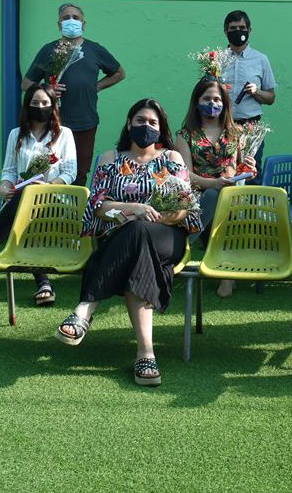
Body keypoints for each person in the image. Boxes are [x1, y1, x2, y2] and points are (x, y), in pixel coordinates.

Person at [54, 99, 200, 387]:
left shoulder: (172, 158)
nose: (146, 127)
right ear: (129, 123)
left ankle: (86, 308)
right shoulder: (111, 157)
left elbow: (187, 210)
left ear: (161, 128)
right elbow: (97, 205)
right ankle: (146, 353)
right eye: (140, 121)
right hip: (121, 235)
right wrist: (134, 210)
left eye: (152, 123)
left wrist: (152, 217)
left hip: (167, 236)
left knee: (140, 232)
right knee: (137, 247)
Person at [0, 85, 77, 306]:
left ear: (53, 107)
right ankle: (43, 283)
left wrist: (47, 186)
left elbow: (70, 172)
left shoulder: (64, 134)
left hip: (55, 199)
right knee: (26, 199)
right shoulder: (16, 135)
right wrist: (4, 186)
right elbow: (9, 172)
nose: (40, 107)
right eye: (35, 103)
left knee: (29, 197)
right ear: (27, 106)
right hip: (23, 202)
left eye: (45, 103)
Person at [23, 3, 124, 187]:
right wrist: (47, 89)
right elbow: (26, 84)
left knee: (79, 172)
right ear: (59, 25)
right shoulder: (49, 50)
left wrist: (98, 86)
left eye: (76, 18)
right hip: (52, 123)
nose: (71, 21)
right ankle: (48, 209)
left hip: (85, 122)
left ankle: (75, 213)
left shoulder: (94, 50)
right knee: (48, 170)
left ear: (84, 24)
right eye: (66, 18)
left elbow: (119, 73)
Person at [175, 77, 257, 297]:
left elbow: (241, 169)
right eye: (207, 98)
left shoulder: (237, 133)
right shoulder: (184, 135)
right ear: (196, 101)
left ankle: (179, 248)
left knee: (223, 198)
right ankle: (225, 272)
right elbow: (186, 175)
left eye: (217, 99)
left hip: (231, 194)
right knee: (212, 195)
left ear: (225, 102)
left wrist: (249, 166)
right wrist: (214, 183)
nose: (212, 103)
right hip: (198, 193)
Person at [221, 10, 276, 185]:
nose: (238, 31)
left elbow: (271, 97)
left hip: (251, 127)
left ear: (249, 30)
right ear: (225, 31)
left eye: (242, 28)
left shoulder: (261, 59)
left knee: (251, 173)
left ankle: (252, 212)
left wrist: (257, 92)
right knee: (223, 172)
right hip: (222, 125)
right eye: (233, 28)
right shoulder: (217, 59)